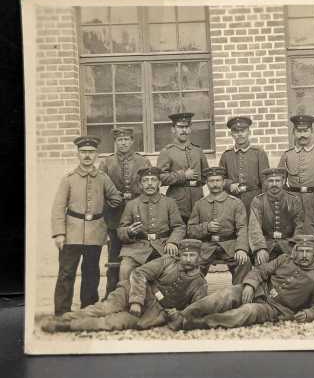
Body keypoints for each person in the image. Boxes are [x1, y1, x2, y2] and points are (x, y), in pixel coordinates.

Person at [41, 239, 208, 333]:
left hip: (152, 311)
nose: (187, 259)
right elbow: (139, 273)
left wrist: (176, 313)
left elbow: (194, 312)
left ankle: (66, 326)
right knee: (104, 308)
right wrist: (136, 300)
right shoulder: (166, 261)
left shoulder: (199, 284)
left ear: (199, 258)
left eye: (192, 255)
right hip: (132, 291)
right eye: (184, 255)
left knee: (112, 323)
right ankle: (64, 318)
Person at [166, 235, 314, 330]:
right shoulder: (284, 259)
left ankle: (197, 323)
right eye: (301, 251)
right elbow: (261, 270)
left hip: (274, 308)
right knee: (225, 295)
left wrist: (308, 314)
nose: (304, 256)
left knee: (246, 311)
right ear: (295, 251)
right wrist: (250, 285)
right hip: (260, 290)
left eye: (308, 252)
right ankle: (183, 315)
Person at [50, 136, 123, 316]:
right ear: (78, 154)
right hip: (71, 233)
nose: (87, 156)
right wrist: (59, 233)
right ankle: (62, 312)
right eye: (84, 152)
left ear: (96, 155)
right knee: (66, 273)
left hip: (95, 234)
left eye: (91, 152)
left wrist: (101, 211)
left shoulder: (102, 178)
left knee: (91, 273)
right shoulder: (68, 179)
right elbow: (58, 208)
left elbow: (116, 199)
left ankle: (88, 310)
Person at [99, 127, 152, 296]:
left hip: (138, 213)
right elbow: (101, 190)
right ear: (115, 142)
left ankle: (142, 292)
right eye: (120, 140)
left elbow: (150, 186)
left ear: (132, 141)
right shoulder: (107, 163)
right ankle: (112, 293)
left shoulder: (142, 162)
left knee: (140, 253)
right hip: (114, 215)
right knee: (114, 256)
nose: (123, 143)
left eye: (126, 140)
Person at [116, 167, 186, 281]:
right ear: (140, 185)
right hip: (136, 248)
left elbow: (179, 227)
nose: (149, 184)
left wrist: (173, 242)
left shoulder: (169, 203)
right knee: (125, 268)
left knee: (171, 270)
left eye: (153, 180)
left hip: (162, 247)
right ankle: (126, 296)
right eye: (145, 180)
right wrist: (129, 232)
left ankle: (164, 298)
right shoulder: (132, 204)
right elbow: (120, 230)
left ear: (159, 183)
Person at [187, 167, 251, 285]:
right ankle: (196, 295)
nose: (215, 184)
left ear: (223, 182)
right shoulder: (199, 204)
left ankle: (238, 294)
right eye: (211, 181)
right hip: (206, 247)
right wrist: (206, 228)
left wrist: (241, 248)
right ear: (206, 183)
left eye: (218, 180)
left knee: (244, 262)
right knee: (191, 265)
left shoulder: (235, 203)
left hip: (229, 245)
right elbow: (190, 230)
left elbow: (242, 228)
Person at [278, 114, 314, 229]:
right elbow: (280, 181)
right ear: (293, 132)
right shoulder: (287, 155)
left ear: (312, 132)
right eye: (299, 131)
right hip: (293, 200)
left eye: (306, 131)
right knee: (294, 230)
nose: (302, 135)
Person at [157, 112, 209, 223]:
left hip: (197, 199)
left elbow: (205, 176)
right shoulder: (167, 152)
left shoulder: (198, 151)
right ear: (173, 129)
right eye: (180, 127)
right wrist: (182, 175)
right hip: (177, 202)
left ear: (190, 129)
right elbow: (161, 178)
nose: (184, 130)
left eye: (186, 127)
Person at [247, 168, 304, 265]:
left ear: (283, 182)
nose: (274, 184)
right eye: (270, 181)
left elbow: (300, 226)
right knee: (261, 264)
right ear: (265, 183)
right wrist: (260, 248)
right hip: (267, 244)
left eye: (277, 181)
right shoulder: (258, 201)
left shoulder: (294, 200)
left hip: (288, 244)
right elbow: (254, 228)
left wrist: (295, 246)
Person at [219, 116, 270, 216]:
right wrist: (229, 185)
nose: (239, 134)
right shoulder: (226, 155)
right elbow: (220, 178)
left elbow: (265, 181)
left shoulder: (259, 153)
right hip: (233, 200)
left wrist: (263, 202)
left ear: (248, 132)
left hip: (254, 199)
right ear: (231, 134)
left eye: (243, 131)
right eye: (236, 131)